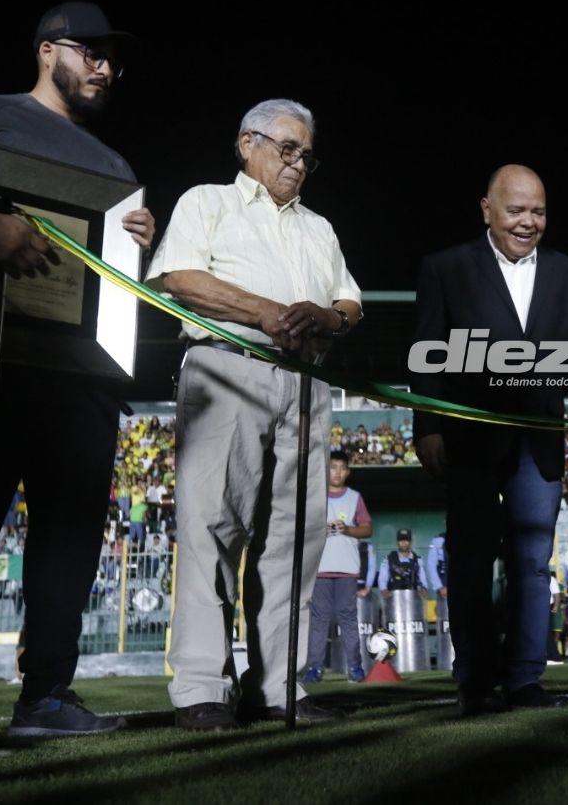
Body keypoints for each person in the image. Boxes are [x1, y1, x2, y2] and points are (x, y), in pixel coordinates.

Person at [0, 2, 156, 748]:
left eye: (114, 58)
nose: (107, 67)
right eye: (92, 52)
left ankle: (46, 694)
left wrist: (139, 234)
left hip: (79, 375)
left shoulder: (115, 169)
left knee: (70, 544)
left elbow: (111, 285)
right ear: (48, 51)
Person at [145, 98, 362, 731]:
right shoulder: (205, 202)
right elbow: (179, 279)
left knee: (295, 540)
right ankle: (202, 689)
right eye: (287, 148)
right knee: (212, 525)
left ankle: (278, 687)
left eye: (307, 155)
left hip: (306, 379)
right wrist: (267, 313)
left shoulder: (318, 227)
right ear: (248, 144)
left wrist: (327, 317)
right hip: (227, 363)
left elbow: (350, 299)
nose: (298, 163)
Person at [412, 164, 568, 715]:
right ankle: (473, 681)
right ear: (487, 209)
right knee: (471, 558)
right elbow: (425, 355)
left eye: (538, 211)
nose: (528, 222)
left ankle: (524, 680)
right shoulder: (444, 269)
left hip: (540, 443)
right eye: (516, 210)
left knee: (532, 562)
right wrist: (427, 426)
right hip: (469, 440)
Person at [303, 450, 372, 684]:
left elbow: (368, 529)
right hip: (320, 568)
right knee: (319, 621)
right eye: (333, 467)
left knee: (348, 619)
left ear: (348, 472)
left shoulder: (355, 497)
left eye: (342, 468)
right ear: (326, 469)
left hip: (346, 569)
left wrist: (348, 529)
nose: (337, 472)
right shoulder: (315, 496)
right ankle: (314, 668)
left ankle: (355, 667)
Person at [378, 529, 429, 597]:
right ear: (397, 542)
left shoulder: (417, 560)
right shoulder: (389, 559)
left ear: (410, 542)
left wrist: (424, 589)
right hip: (394, 598)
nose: (404, 543)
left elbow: (423, 579)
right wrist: (384, 590)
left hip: (413, 598)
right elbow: (383, 578)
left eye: (406, 540)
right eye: (401, 540)